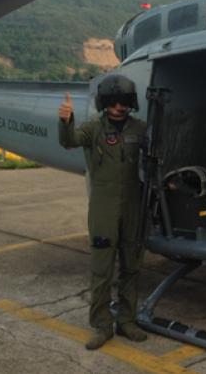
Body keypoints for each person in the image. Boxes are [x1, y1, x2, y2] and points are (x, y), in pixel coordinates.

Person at [58, 74, 149, 350]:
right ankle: (101, 325)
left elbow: (158, 155)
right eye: (114, 101)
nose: (119, 106)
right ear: (105, 103)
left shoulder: (141, 128)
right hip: (103, 206)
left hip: (133, 203)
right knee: (102, 268)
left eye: (124, 101)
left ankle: (126, 320)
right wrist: (66, 120)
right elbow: (69, 140)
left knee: (131, 265)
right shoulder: (94, 128)